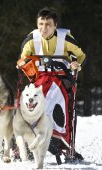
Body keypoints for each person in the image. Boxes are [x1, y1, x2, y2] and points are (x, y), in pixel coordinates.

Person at [18, 8, 86, 162]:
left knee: (54, 95)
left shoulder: (65, 39)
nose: (44, 28)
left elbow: (81, 56)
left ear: (55, 25)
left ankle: (57, 133)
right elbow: (23, 59)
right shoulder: (31, 39)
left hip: (62, 79)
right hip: (39, 80)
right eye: (40, 24)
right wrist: (23, 63)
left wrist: (76, 63)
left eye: (48, 24)